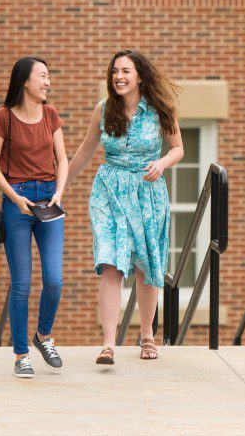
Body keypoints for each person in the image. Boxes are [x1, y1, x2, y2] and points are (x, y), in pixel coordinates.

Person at [67, 49, 184, 365]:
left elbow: (177, 149)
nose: (118, 76)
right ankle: (108, 343)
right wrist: (59, 187)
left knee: (145, 265)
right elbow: (83, 153)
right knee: (110, 262)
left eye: (125, 71)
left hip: (147, 191)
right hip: (109, 191)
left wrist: (161, 163)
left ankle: (147, 335)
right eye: (115, 71)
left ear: (140, 77)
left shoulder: (161, 110)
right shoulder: (103, 110)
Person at [0, 56, 68, 379]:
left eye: (48, 77)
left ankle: (43, 336)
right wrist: (15, 197)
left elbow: (62, 159)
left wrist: (59, 192)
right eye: (43, 77)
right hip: (17, 202)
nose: (48, 82)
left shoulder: (51, 115)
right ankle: (21, 354)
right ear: (24, 82)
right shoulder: (3, 117)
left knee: (54, 279)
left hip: (50, 200)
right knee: (21, 283)